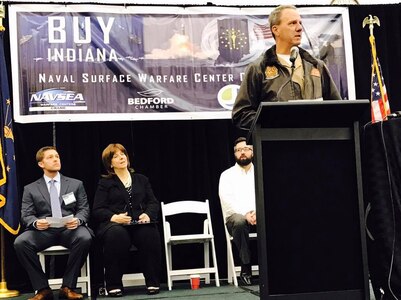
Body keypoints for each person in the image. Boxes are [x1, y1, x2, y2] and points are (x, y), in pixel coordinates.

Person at [232, 5, 342, 130]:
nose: (299, 28)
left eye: (300, 23)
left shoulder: (317, 66)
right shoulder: (258, 68)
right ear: (275, 30)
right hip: (276, 145)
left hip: (315, 143)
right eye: (292, 23)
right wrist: (273, 123)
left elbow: (336, 109)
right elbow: (241, 114)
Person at [14, 146, 92, 300]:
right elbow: (26, 215)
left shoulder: (76, 184)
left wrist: (78, 220)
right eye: (50, 157)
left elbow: (84, 209)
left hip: (70, 229)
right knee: (20, 242)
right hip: (44, 231)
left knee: (85, 237)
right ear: (41, 164)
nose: (56, 159)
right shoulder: (30, 189)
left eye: (57, 156)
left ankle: (67, 287)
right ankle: (42, 288)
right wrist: (36, 223)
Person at [91, 143, 161, 297]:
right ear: (110, 163)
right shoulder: (105, 183)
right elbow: (97, 209)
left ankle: (153, 282)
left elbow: (153, 202)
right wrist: (113, 217)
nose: (121, 157)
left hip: (138, 223)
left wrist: (148, 214)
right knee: (117, 235)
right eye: (115, 156)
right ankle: (114, 284)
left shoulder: (142, 179)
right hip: (114, 225)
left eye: (123, 154)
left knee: (149, 233)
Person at [219, 137, 256, 286]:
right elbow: (227, 202)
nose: (242, 153)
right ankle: (246, 267)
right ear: (234, 154)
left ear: (252, 152)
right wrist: (246, 214)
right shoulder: (227, 175)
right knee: (240, 222)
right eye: (238, 150)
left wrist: (257, 212)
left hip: (258, 215)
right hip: (236, 219)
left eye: (245, 149)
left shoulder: (261, 170)